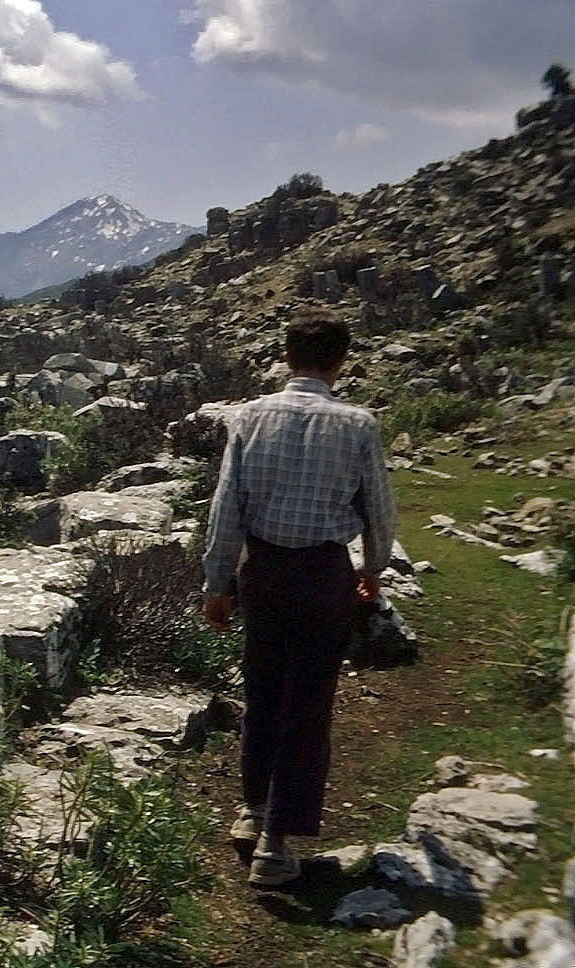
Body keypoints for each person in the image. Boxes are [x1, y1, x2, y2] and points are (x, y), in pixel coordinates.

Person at [200, 308, 396, 887]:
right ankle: (275, 844)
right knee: (307, 701)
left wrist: (217, 585)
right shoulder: (358, 424)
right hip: (322, 575)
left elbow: (225, 507)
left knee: (261, 687)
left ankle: (252, 808)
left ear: (286, 357)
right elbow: (379, 509)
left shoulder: (248, 417)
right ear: (341, 362)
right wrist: (375, 567)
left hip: (261, 571)